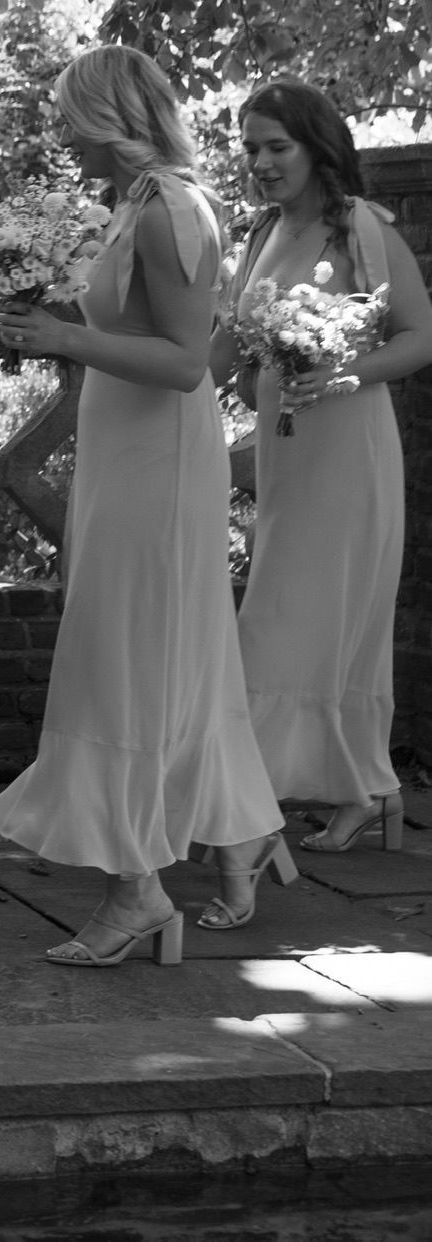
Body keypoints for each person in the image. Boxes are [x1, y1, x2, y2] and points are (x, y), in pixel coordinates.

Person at [0, 46, 288, 962]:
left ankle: (135, 893)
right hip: (125, 451)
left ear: (108, 116)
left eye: (67, 118)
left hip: (156, 460)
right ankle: (236, 838)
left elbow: (184, 362)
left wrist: (63, 337)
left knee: (126, 654)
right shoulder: (135, 204)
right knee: (165, 648)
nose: (59, 137)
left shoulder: (170, 209)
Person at [212, 78, 432, 852]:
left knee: (316, 615)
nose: (260, 163)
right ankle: (364, 786)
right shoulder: (257, 236)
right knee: (290, 605)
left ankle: (263, 801)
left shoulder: (360, 229)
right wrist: (245, 380)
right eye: (249, 149)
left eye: (276, 147)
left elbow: (416, 335)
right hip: (283, 453)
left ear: (316, 147)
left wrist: (341, 375)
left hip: (347, 448)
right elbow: (237, 350)